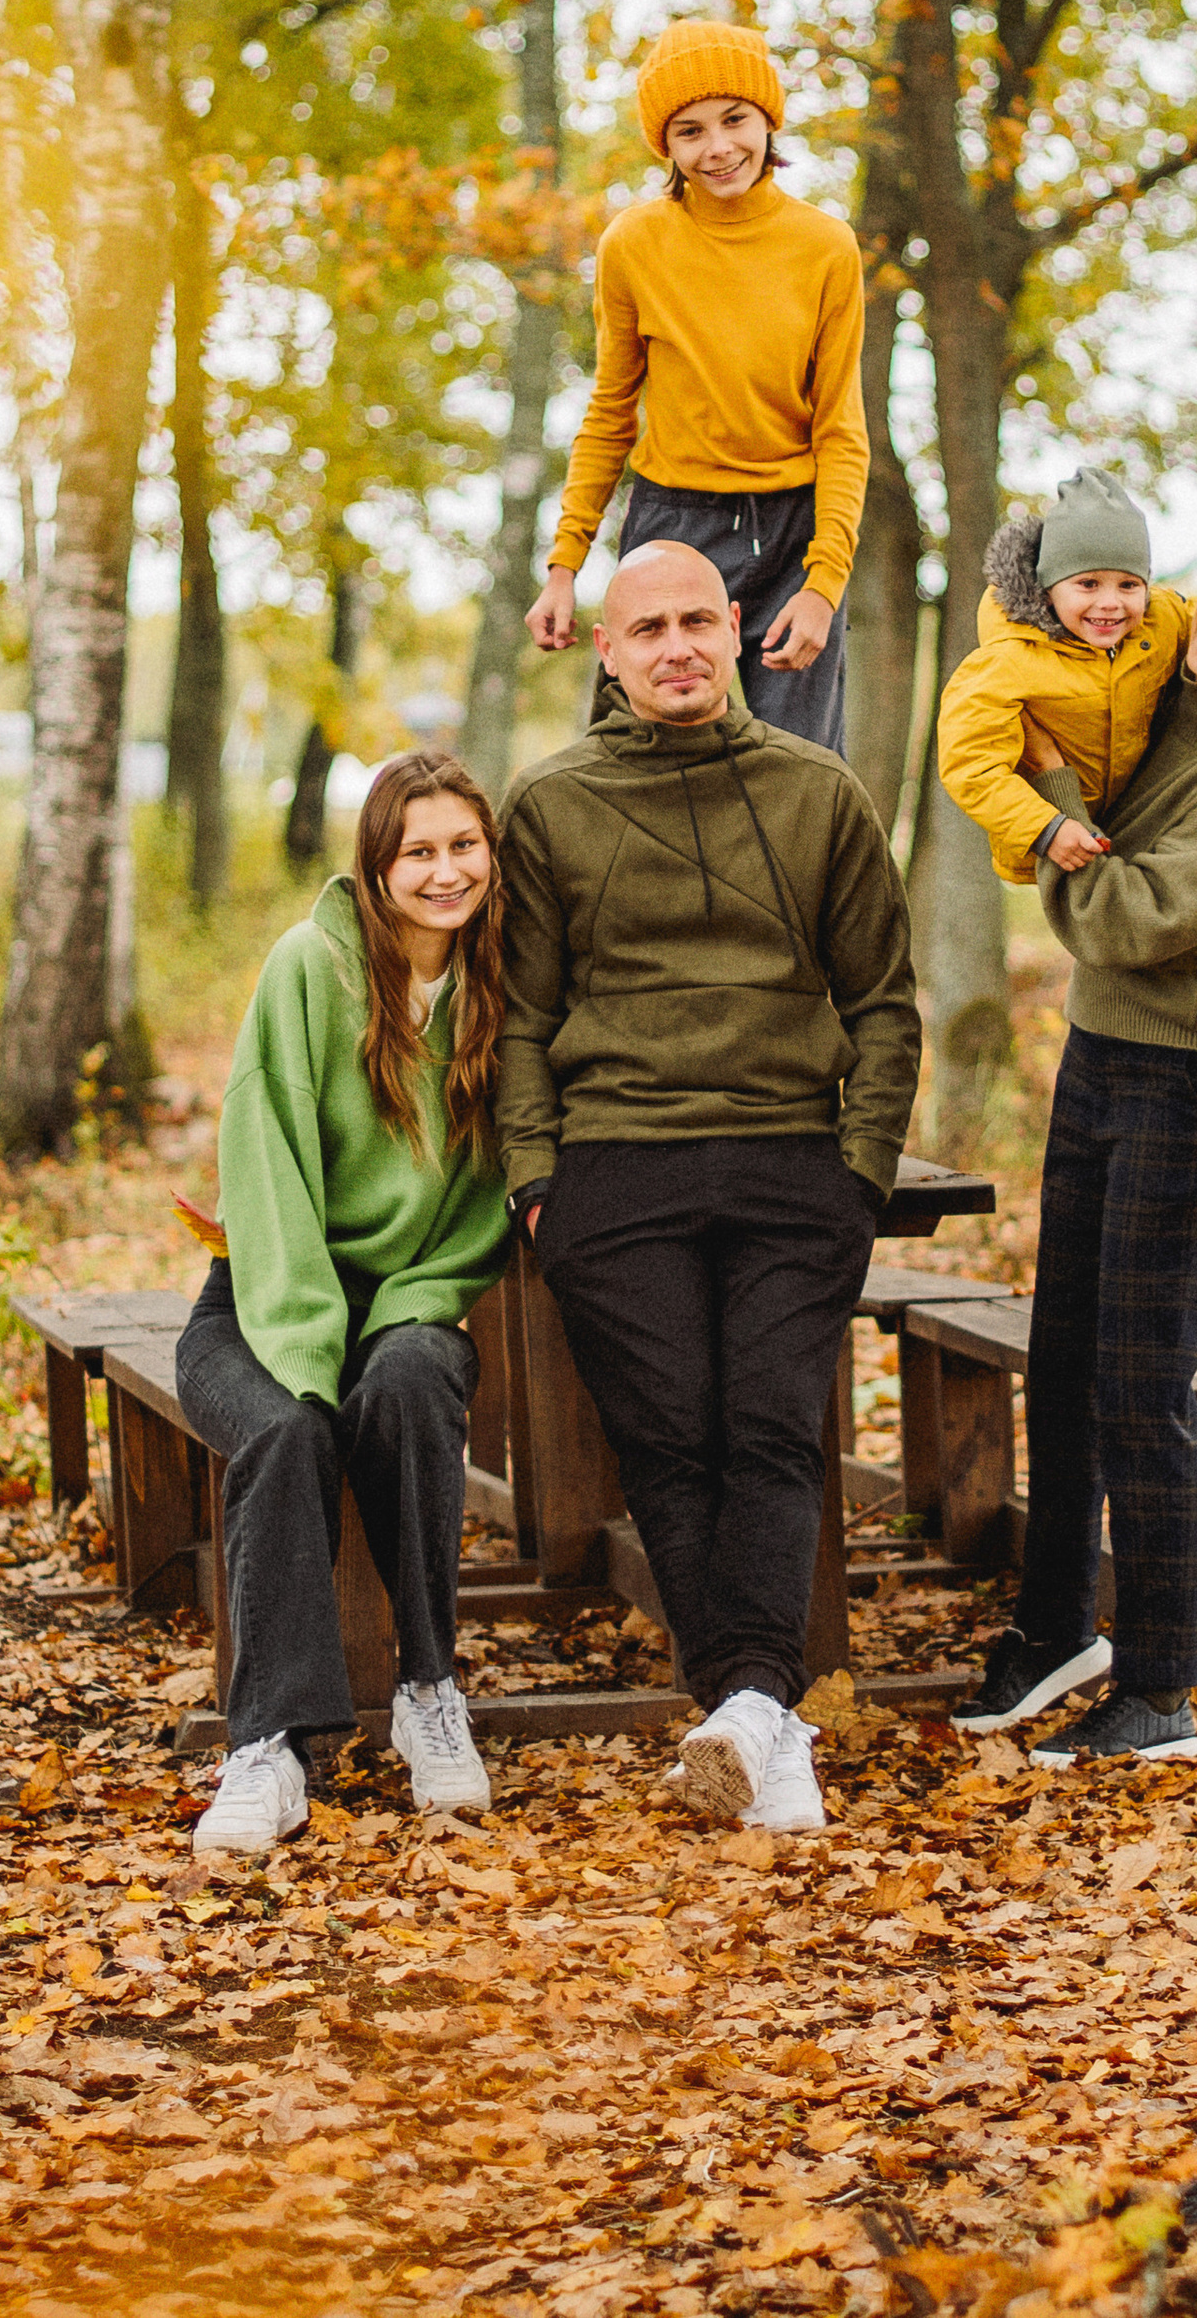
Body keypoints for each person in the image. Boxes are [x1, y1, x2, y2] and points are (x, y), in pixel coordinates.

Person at [499, 538, 921, 1834]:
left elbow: (885, 1005)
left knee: (776, 1427)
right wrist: (535, 1179)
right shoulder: (549, 802)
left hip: (794, 1159)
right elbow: (522, 1013)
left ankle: (745, 1708)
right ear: (608, 651)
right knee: (673, 1439)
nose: (677, 644)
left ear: (737, 629)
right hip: (615, 1167)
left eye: (698, 619)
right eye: (649, 628)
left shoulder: (819, 792)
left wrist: (859, 1175)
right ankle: (761, 1714)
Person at [952, 526, 1197, 1769]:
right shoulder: (1169, 691)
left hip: (1195, 1086)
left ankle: (1160, 1689)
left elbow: (1136, 919)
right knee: (1062, 1360)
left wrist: (1049, 812)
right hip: (1100, 1060)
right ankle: (1057, 1630)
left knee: (1140, 1383)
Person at [180, 751, 512, 1860]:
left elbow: (479, 1207)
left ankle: (428, 1693)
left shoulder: (503, 989)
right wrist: (309, 1351)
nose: (443, 870)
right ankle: (267, 1746)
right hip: (264, 1299)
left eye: (463, 845)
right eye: (417, 850)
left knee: (412, 1384)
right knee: (285, 1430)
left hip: (407, 1303)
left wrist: (396, 1318)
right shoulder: (307, 970)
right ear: (375, 867)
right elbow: (264, 1171)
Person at [526, 19, 867, 757]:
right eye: (690, 131)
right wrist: (564, 568)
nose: (717, 149)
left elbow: (840, 429)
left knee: (805, 772)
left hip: (792, 530)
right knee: (635, 760)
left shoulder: (826, 248)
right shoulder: (634, 245)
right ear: (667, 145)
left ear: (767, 119)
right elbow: (611, 411)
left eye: (735, 120)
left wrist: (823, 584)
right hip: (673, 523)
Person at [935, 463, 1195, 881]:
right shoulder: (1008, 660)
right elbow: (970, 764)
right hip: (1053, 844)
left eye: (1128, 585)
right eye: (1088, 584)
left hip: (1138, 831)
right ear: (1048, 589)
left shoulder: (1163, 621)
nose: (1111, 602)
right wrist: (1045, 829)